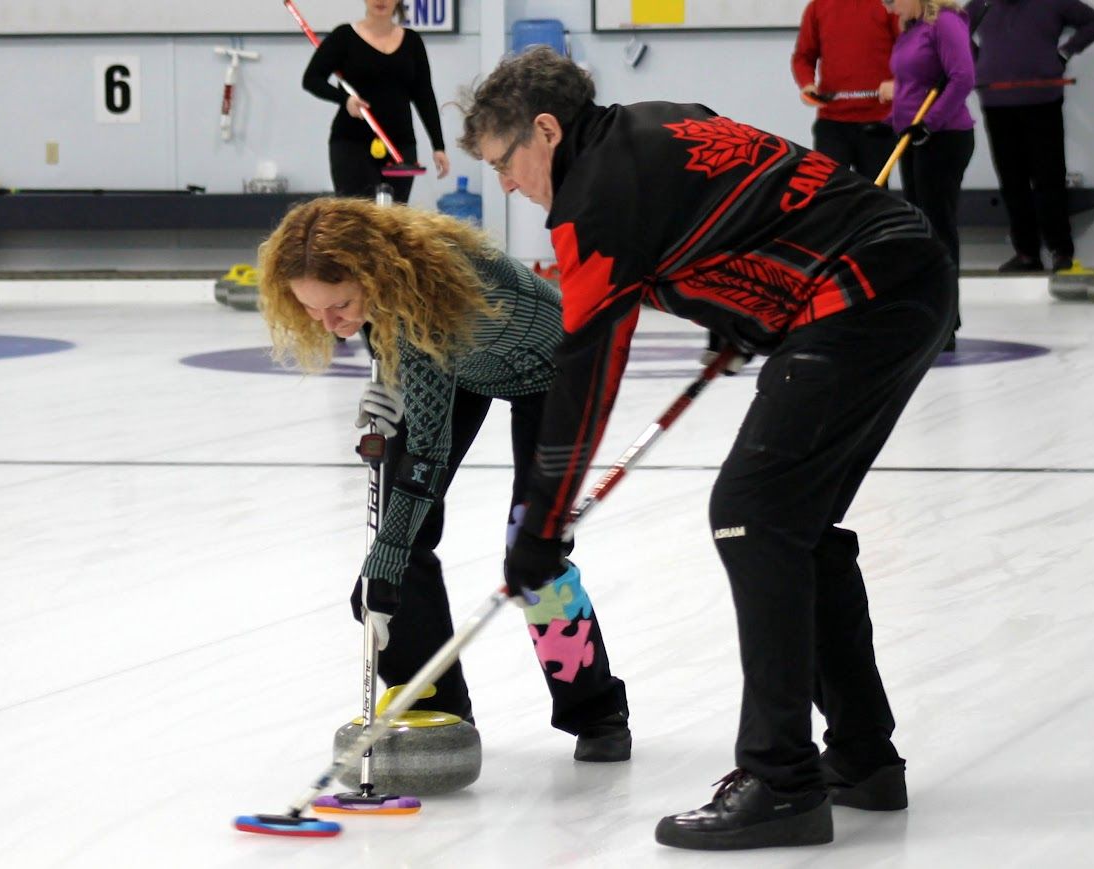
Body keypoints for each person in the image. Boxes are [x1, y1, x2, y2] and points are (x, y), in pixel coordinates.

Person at [459, 46, 956, 851]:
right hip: (903, 277)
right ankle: (863, 757)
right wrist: (739, 309)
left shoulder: (591, 201)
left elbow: (585, 370)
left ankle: (783, 780)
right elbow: (743, 209)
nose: (507, 185)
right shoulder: (660, 122)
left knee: (753, 514)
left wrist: (541, 526)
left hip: (860, 295)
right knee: (794, 526)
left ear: (545, 131)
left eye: (503, 163)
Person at [256, 197, 631, 762]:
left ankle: (598, 713)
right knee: (395, 556)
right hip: (462, 366)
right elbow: (402, 348)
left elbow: (425, 457)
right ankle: (437, 715)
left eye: (340, 306)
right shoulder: (387, 285)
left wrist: (384, 563)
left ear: (372, 276)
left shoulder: (431, 292)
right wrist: (388, 385)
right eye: (312, 310)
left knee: (533, 555)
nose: (328, 325)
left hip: (557, 372)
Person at [965, 0, 1094, 273]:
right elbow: (955, 32)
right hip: (996, 102)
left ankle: (1060, 250)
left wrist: (1064, 53)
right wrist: (978, 62)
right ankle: (1027, 253)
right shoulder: (981, 4)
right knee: (1012, 181)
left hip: (1042, 100)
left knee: (1049, 178)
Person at [882, 0, 975, 350]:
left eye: (892, 1)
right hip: (912, 139)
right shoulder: (913, 29)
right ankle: (927, 317)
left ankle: (946, 322)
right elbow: (910, 87)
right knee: (920, 229)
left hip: (943, 139)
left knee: (937, 228)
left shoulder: (946, 23)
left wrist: (930, 123)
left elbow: (963, 78)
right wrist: (890, 123)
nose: (889, 9)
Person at [302, 1, 451, 201]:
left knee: (395, 217)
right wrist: (345, 100)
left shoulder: (412, 41)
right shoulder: (344, 36)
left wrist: (438, 146)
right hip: (352, 144)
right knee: (357, 217)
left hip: (400, 146)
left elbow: (424, 95)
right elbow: (312, 79)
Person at [791, 0, 901, 181]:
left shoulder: (887, 5)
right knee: (830, 188)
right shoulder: (818, 7)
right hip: (832, 122)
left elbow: (906, 50)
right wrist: (808, 84)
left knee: (874, 190)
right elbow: (803, 57)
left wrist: (899, 83)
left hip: (878, 122)